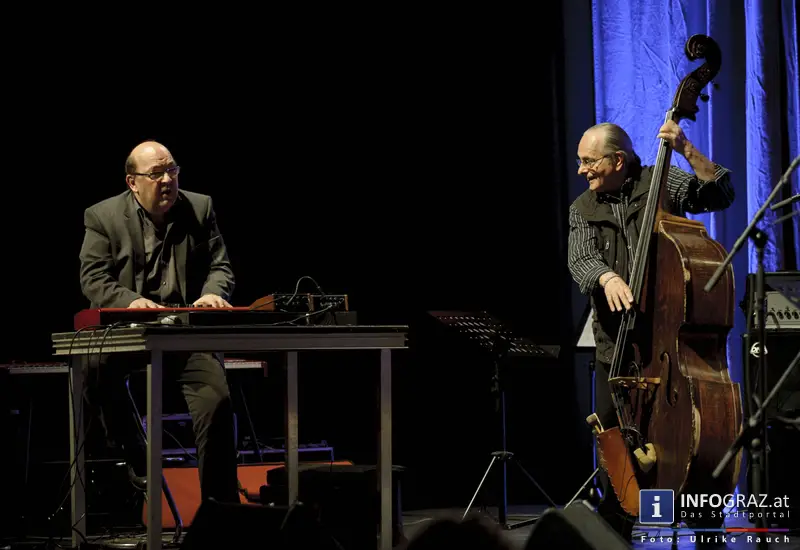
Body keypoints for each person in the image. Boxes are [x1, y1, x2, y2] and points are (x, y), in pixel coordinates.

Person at [567, 121, 735, 538]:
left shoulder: (660, 182)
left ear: (617, 161)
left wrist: (687, 149)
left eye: (589, 162)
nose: (581, 171)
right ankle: (620, 524)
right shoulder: (582, 209)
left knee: (687, 436)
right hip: (619, 347)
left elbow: (720, 194)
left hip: (669, 346)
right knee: (614, 438)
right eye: (579, 162)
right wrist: (606, 277)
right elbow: (581, 259)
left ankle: (698, 515)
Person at [78, 140, 240, 504]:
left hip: (185, 330)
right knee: (92, 366)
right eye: (156, 173)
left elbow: (220, 265)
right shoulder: (101, 216)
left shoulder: (200, 208)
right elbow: (94, 279)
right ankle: (136, 452)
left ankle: (220, 511)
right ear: (132, 182)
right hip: (129, 332)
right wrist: (132, 301)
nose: (167, 180)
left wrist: (214, 293)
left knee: (216, 401)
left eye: (172, 170)